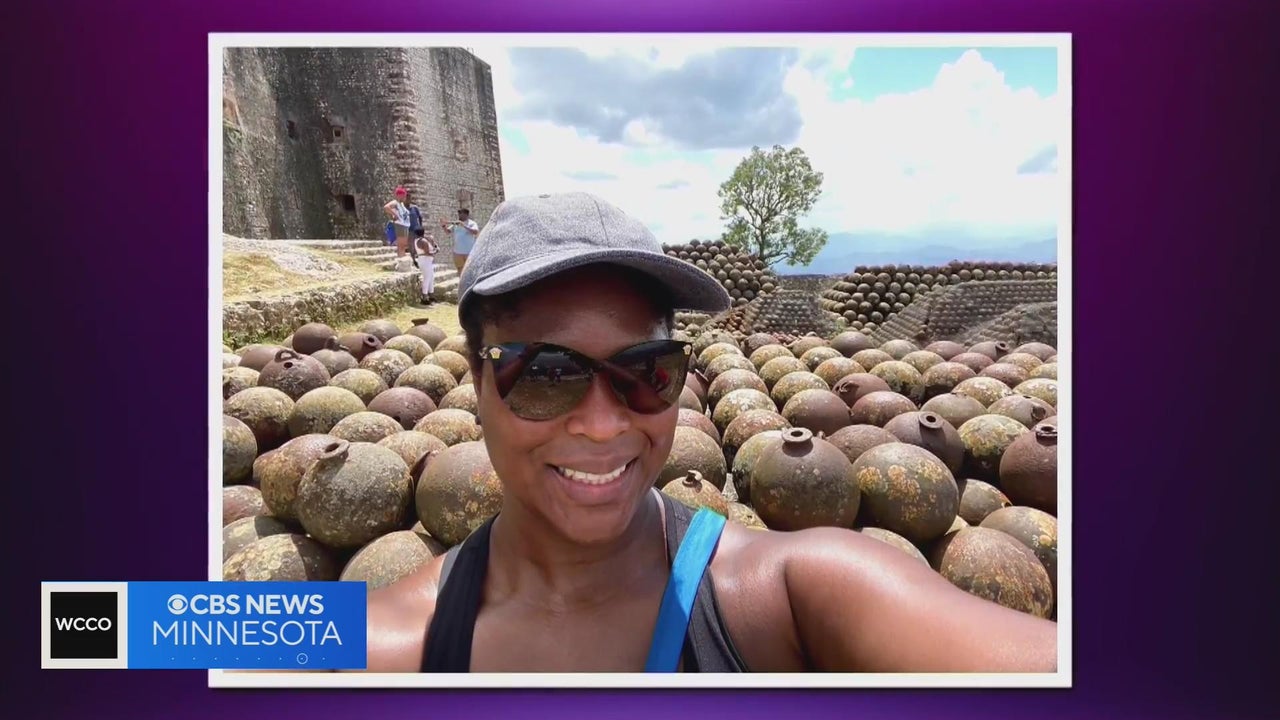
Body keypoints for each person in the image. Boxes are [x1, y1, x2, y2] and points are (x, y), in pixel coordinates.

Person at [363, 192, 1057, 673]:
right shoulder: (369, 630)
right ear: (477, 381)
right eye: (545, 373)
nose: (602, 425)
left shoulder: (797, 591)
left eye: (646, 370)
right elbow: (286, 628)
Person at [440, 208, 480, 272]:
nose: (459, 215)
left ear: (466, 215)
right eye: (459, 214)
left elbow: (475, 232)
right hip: (457, 253)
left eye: (460, 214)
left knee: (469, 270)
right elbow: (447, 232)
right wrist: (443, 226)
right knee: (460, 271)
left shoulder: (472, 223)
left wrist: (464, 226)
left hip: (469, 252)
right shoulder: (456, 224)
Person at [383, 187, 412, 260]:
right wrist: (395, 215)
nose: (405, 197)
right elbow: (386, 207)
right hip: (400, 225)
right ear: (400, 195)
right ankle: (401, 258)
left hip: (405, 225)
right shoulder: (395, 202)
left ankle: (402, 257)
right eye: (404, 195)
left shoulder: (401, 204)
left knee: (404, 245)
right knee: (401, 245)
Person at [414, 230, 439, 305]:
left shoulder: (418, 240)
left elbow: (433, 246)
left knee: (431, 278)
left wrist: (433, 242)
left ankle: (431, 296)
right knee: (427, 278)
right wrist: (436, 251)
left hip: (426, 261)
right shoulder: (423, 241)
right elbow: (428, 253)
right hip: (425, 261)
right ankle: (424, 297)